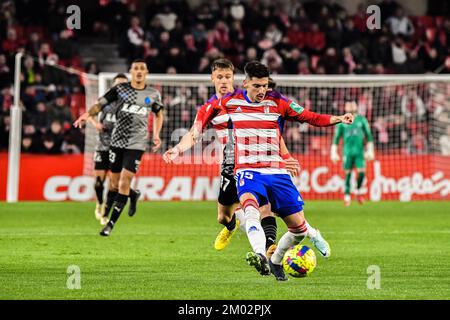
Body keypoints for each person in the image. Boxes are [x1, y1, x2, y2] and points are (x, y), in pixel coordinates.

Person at [192, 61, 352, 280]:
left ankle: (279, 257)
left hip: (276, 171)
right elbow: (206, 112)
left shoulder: (278, 101)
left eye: (264, 86)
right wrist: (183, 143)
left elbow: (309, 117)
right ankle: (260, 254)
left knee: (299, 230)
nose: (261, 91)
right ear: (245, 83)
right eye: (257, 86)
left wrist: (339, 119)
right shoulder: (229, 102)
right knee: (251, 210)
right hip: (247, 171)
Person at [74, 59, 164, 236]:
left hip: (137, 144)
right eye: (135, 68)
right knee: (114, 185)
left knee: (123, 181)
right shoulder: (121, 89)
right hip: (116, 142)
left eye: (142, 69)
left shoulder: (153, 94)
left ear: (146, 72)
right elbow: (99, 104)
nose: (138, 71)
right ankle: (132, 194)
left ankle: (110, 225)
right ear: (131, 71)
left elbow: (159, 114)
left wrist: (156, 135)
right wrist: (86, 114)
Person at [88, 73, 128, 225]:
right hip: (102, 146)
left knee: (114, 184)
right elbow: (90, 114)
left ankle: (106, 211)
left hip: (119, 147)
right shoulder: (104, 102)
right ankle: (99, 202)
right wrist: (96, 124)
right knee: (99, 181)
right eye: (118, 84)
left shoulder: (129, 106)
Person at [331, 99, 374, 206]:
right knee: (348, 173)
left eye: (352, 104)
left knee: (361, 172)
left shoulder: (361, 120)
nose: (350, 106)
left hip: (359, 151)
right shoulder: (342, 122)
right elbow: (336, 138)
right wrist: (334, 152)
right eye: (348, 105)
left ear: (356, 106)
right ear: (345, 107)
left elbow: (368, 136)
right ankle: (347, 196)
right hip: (347, 152)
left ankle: (358, 191)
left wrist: (370, 150)